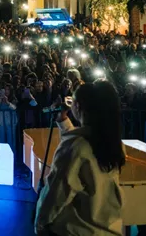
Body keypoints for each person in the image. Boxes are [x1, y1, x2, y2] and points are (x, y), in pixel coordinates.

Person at [34, 81, 126, 235]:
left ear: (79, 106)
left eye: (72, 101)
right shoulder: (113, 144)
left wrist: (40, 223)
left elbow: (57, 192)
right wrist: (63, 122)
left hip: (76, 230)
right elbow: (84, 143)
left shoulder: (76, 147)